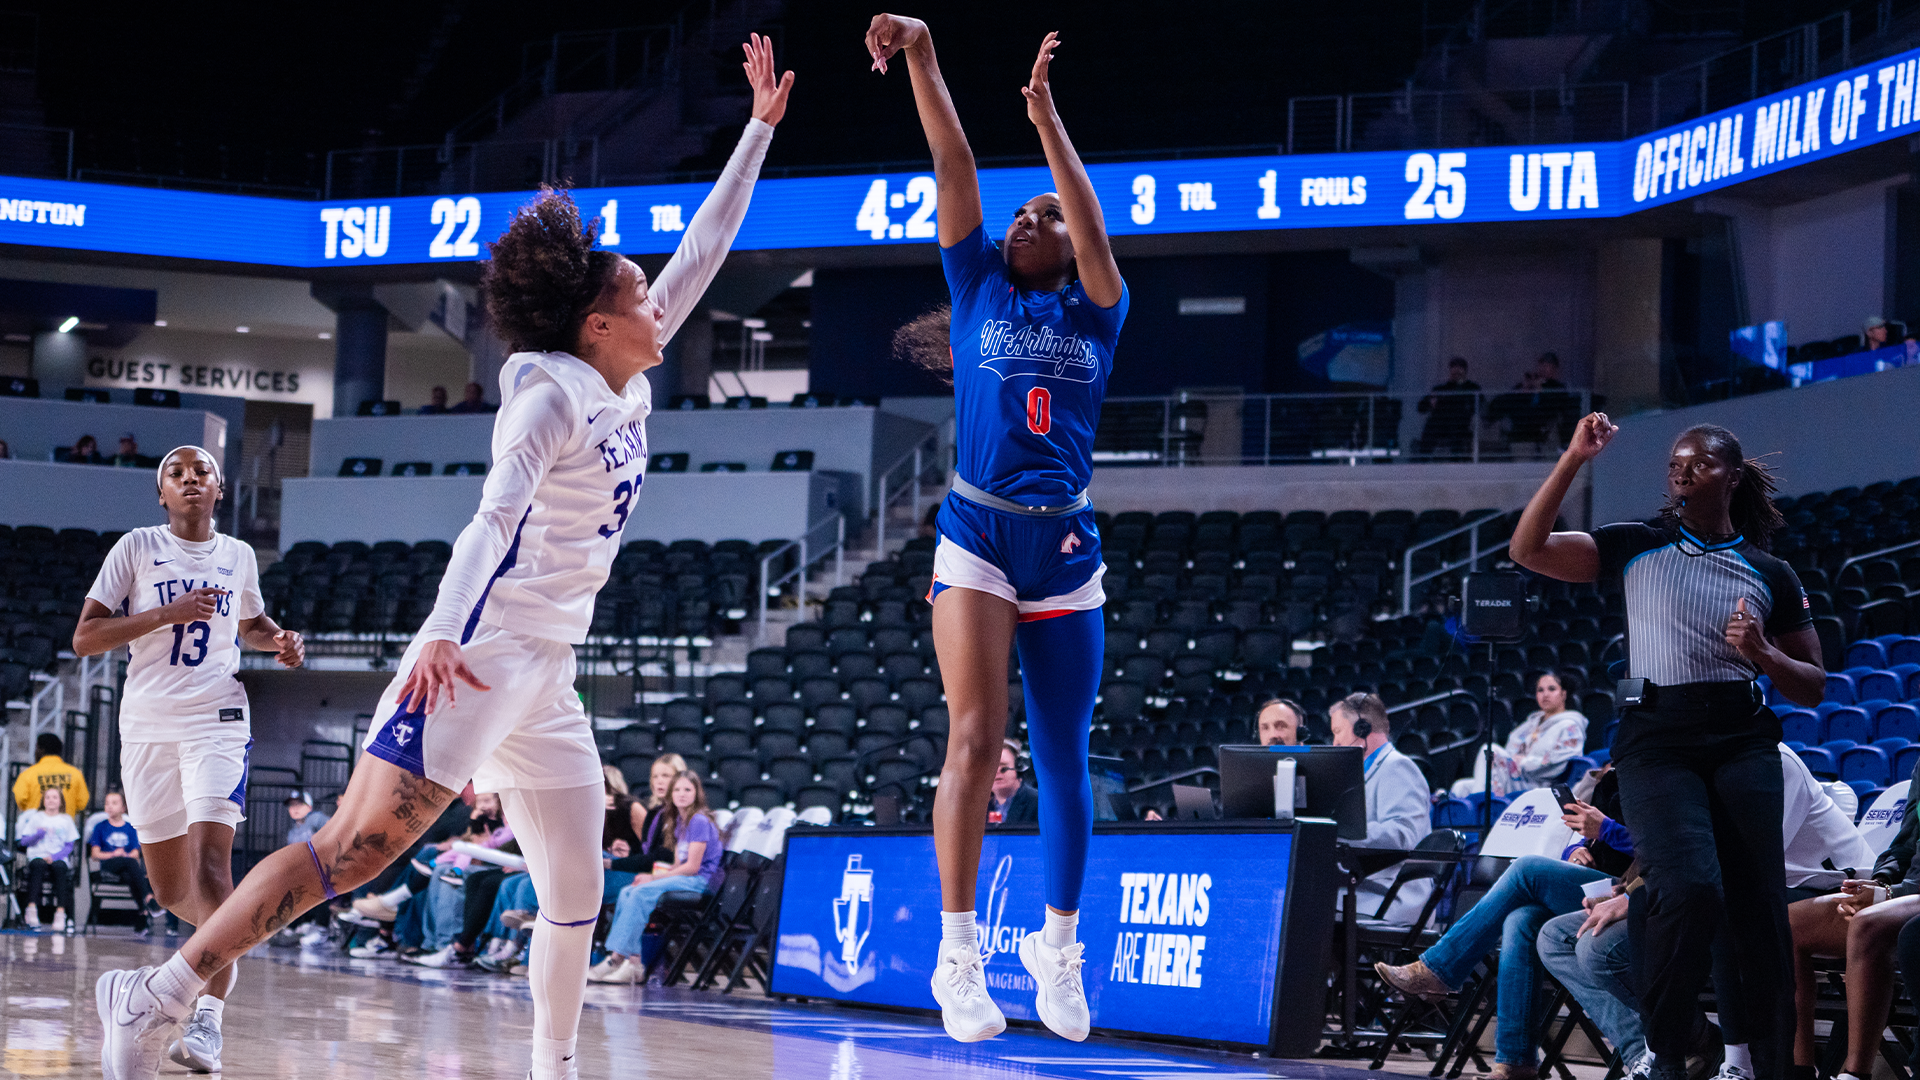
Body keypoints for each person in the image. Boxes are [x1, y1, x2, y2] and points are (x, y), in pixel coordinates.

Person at [93, 38, 792, 1080]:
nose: (662, 301)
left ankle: (550, 1066)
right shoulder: (548, 393)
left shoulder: (623, 365)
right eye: (641, 294)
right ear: (598, 323)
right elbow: (489, 521)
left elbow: (706, 247)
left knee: (574, 892)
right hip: (481, 653)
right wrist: (435, 632)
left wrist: (758, 130)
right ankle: (155, 993)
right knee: (353, 853)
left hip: (548, 672)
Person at [866, 13, 1127, 1045]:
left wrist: (1049, 119)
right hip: (977, 532)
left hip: (1062, 544)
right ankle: (958, 952)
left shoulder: (1098, 308)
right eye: (1021, 214)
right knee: (973, 737)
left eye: (1047, 216)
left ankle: (1057, 949)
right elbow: (953, 158)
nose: (1030, 220)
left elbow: (1092, 227)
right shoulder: (974, 284)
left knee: (1064, 753)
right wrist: (927, 53)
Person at [1510, 417, 1823, 1080]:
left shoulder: (1770, 571)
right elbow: (1528, 548)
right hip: (1657, 738)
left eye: (1698, 464)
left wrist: (1762, 652)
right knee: (1686, 888)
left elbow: (1813, 685)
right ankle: (1669, 1050)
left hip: (1742, 738)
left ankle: (1767, 1066)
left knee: (1757, 911)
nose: (1680, 472)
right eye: (1674, 464)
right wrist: (1573, 458)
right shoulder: (1636, 546)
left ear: (1731, 477)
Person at [74, 443, 304, 1072]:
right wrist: (166, 614)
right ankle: (143, 990)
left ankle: (204, 1018)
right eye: (176, 474)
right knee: (175, 892)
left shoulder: (238, 556)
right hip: (147, 725)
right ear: (162, 494)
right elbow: (86, 637)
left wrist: (278, 640)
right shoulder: (136, 548)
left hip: (217, 718)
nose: (190, 480)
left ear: (220, 488)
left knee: (211, 875)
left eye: (201, 472)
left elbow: (249, 624)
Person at [1788, 753, 1920, 1080]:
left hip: (1912, 897)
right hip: (1905, 890)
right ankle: (1797, 1070)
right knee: (1786, 924)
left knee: (1867, 924)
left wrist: (1892, 895)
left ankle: (1854, 1073)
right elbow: (1903, 846)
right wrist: (1881, 882)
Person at [587, 770, 724, 984]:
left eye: (687, 790)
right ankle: (633, 962)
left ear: (697, 794)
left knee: (641, 892)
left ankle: (616, 959)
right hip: (686, 877)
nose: (681, 794)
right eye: (677, 790)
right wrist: (650, 875)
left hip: (701, 882)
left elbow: (693, 867)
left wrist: (653, 879)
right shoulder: (681, 821)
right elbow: (677, 865)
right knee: (628, 890)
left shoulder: (699, 821)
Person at [1332, 692, 1433, 925]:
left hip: (1391, 894)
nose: (1335, 742)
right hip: (1368, 887)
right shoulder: (1366, 771)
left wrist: (1340, 831)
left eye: (1337, 732)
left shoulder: (1397, 767)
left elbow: (1402, 835)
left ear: (1362, 728)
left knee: (1306, 905)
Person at [1450, 671, 1587, 799]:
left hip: (1539, 784)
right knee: (1461, 787)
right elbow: (1510, 752)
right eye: (1540, 690)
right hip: (1516, 778)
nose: (1545, 694)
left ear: (1563, 694)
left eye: (1551, 689)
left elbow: (1560, 761)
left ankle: (1484, 810)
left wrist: (1523, 762)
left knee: (1490, 750)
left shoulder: (1569, 726)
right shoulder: (1529, 725)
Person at [91, 789, 163, 922]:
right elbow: (95, 854)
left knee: (130, 874)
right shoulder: (100, 827)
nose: (110, 806)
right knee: (130, 864)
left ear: (123, 808)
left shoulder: (130, 828)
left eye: (114, 803)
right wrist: (114, 854)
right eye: (107, 803)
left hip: (128, 866)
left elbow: (135, 854)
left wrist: (125, 854)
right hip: (109, 865)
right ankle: (148, 897)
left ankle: (143, 914)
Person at [18, 786, 79, 932]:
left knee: (60, 868)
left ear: (60, 801)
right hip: (38, 855)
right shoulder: (36, 818)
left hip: (58, 857)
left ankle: (60, 912)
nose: (51, 800)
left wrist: (55, 856)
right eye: (48, 797)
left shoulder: (66, 820)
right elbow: (24, 842)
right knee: (38, 866)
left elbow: (70, 846)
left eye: (55, 797)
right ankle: (31, 909)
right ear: (43, 801)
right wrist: (38, 835)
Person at [1416, 358, 1481, 458]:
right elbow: (1421, 407)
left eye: (1459, 370)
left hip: (1460, 423)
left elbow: (1479, 404)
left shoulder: (1472, 388)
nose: (1456, 373)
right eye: (1454, 370)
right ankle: (1422, 460)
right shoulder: (1440, 389)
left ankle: (1455, 460)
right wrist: (1431, 403)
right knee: (1430, 428)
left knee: (1456, 430)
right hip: (1440, 423)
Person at [13, 732, 89, 815]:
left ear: (41, 750)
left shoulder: (28, 774)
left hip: (36, 825)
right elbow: (82, 803)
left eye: (36, 748)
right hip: (64, 826)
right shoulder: (75, 774)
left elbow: (20, 800)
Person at [988, 740, 1038, 825]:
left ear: (1018, 768)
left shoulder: (1037, 802)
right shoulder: (980, 806)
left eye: (1003, 766)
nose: (997, 772)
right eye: (992, 767)